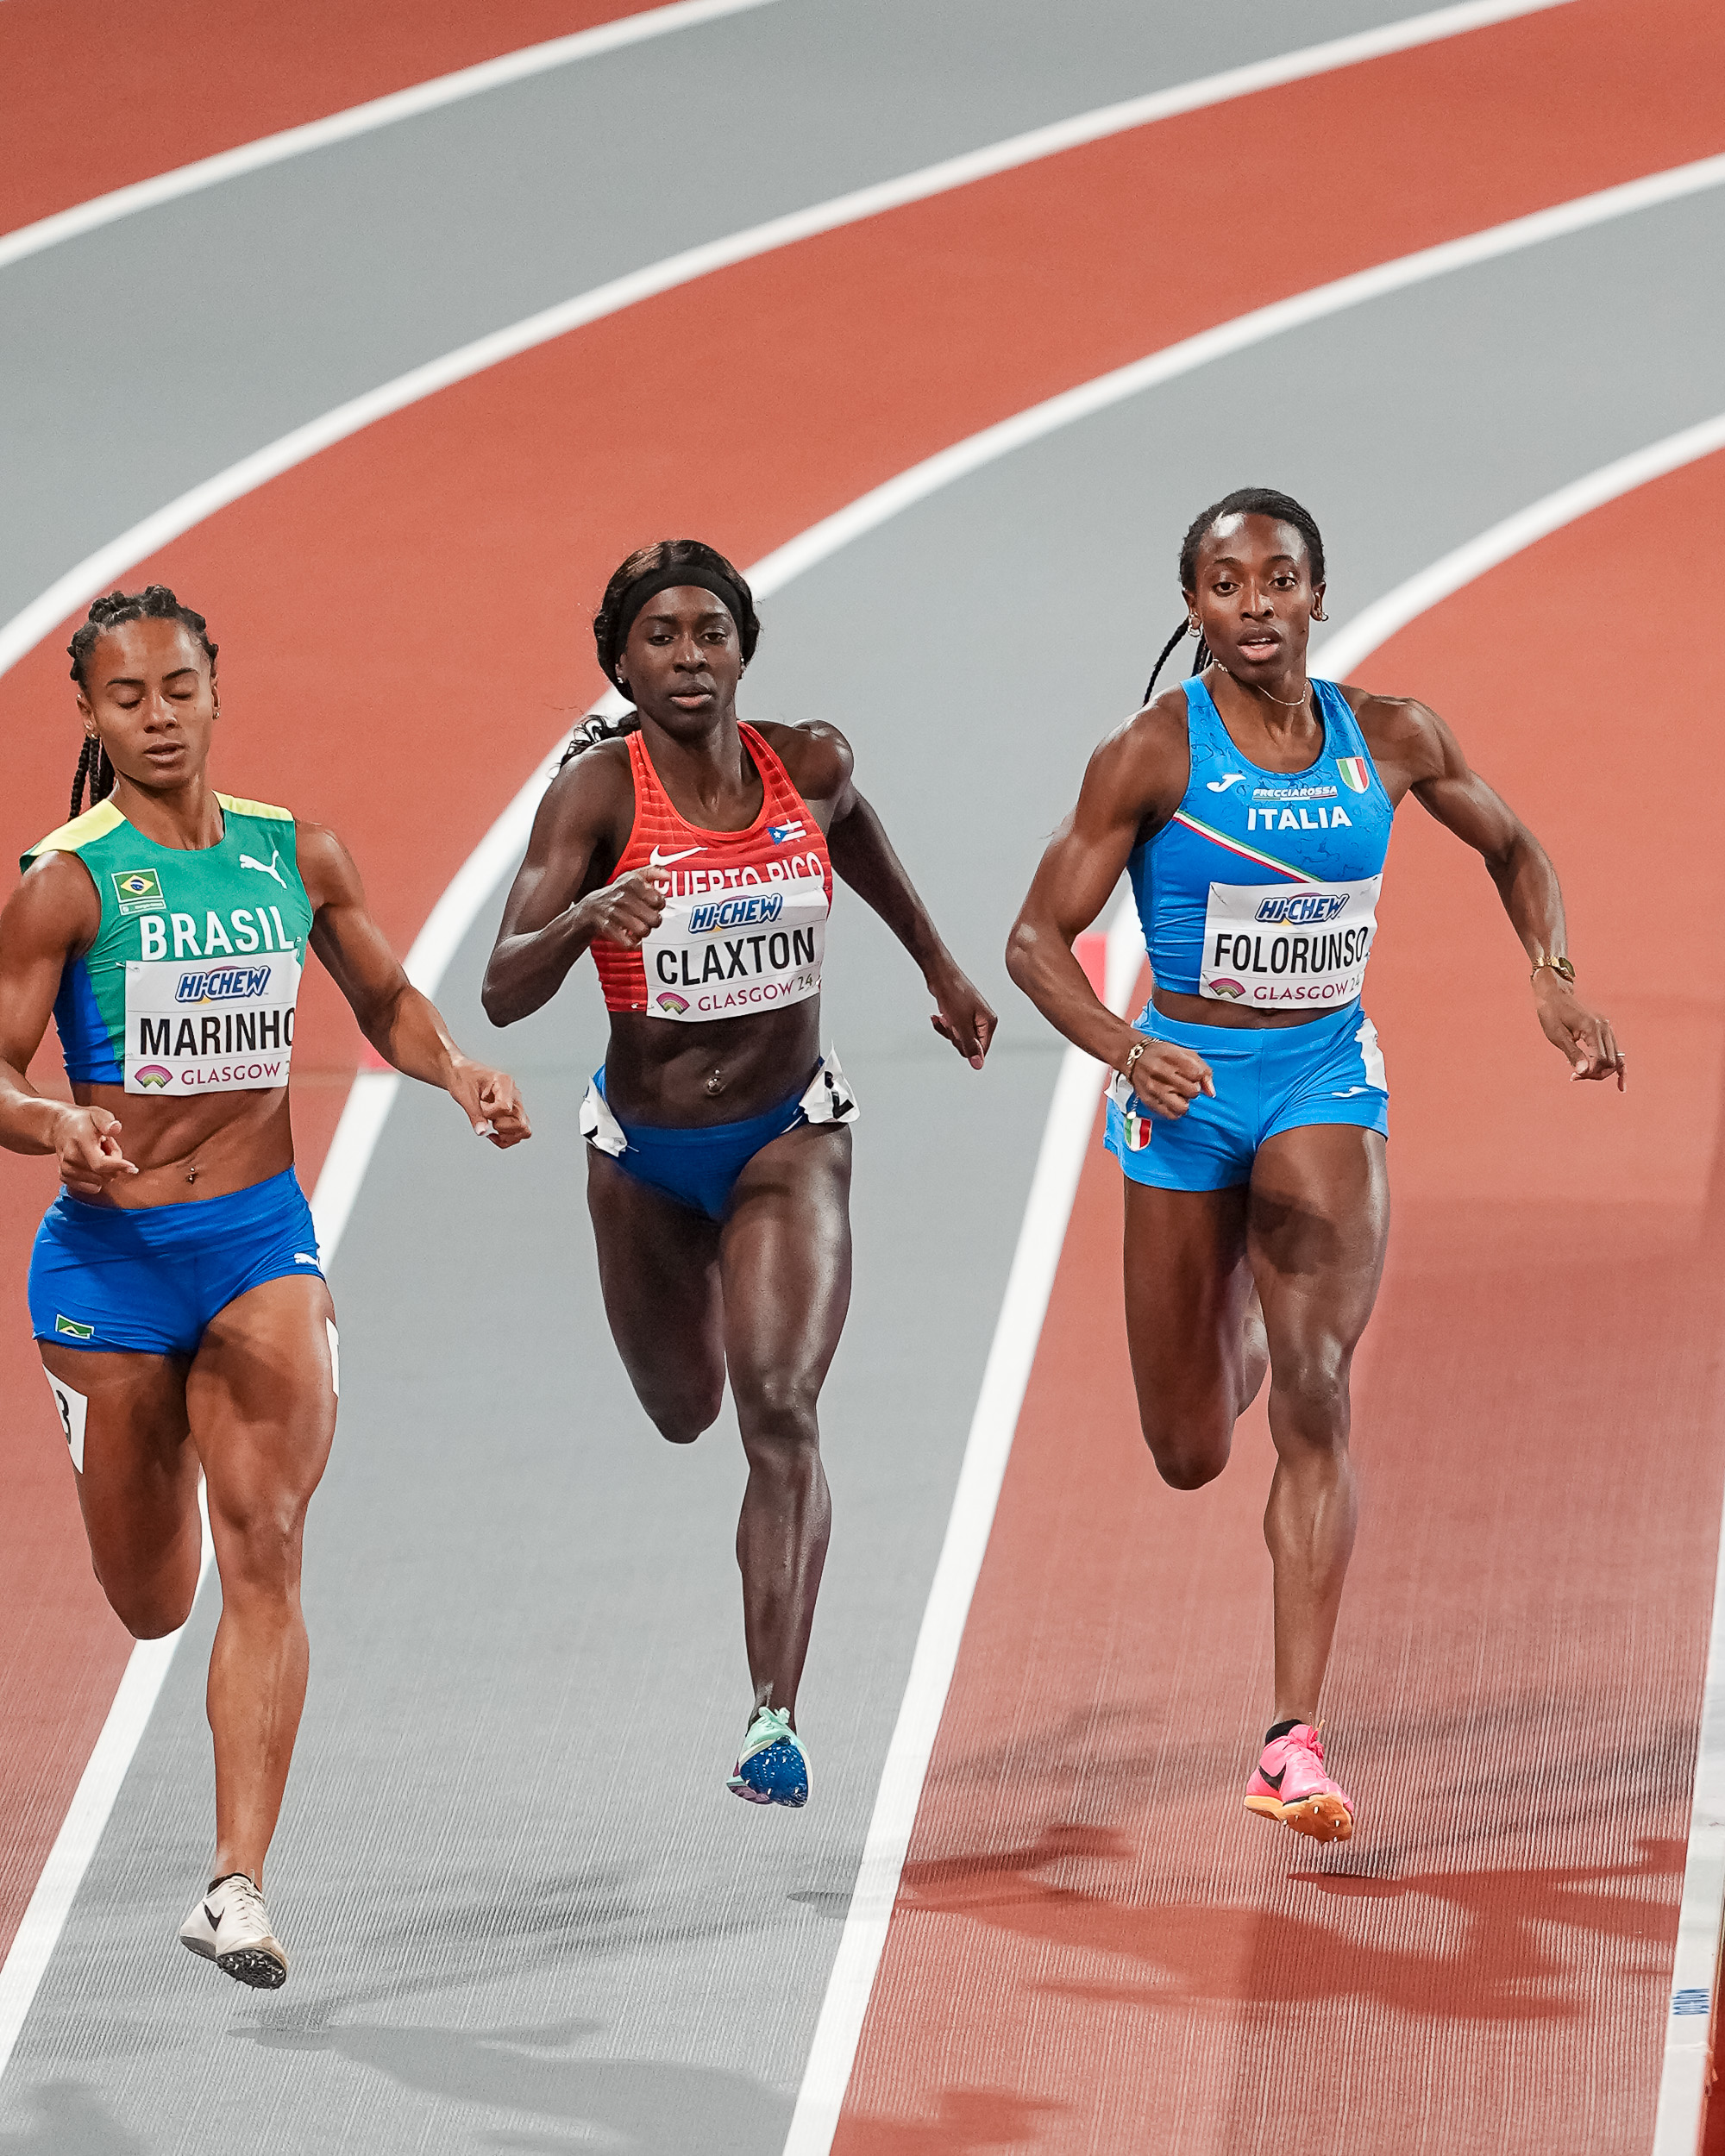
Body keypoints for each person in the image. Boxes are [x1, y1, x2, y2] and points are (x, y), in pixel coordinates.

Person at [1006, 488, 1622, 1841]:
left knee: (1320, 1387)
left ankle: (1292, 1741)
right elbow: (1035, 941)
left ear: (1318, 594)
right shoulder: (1149, 756)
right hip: (1184, 1092)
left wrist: (1554, 975)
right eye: (1226, 585)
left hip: (1322, 1080)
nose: (1256, 605)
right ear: (1194, 608)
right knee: (1186, 1449)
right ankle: (1243, 1326)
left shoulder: (1392, 736)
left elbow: (1514, 847)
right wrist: (1125, 1047)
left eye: (1279, 579)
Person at [0, 586, 530, 1984]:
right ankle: (137, 1447)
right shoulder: (65, 882)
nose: (159, 719)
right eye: (128, 699)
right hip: (110, 1270)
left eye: (179, 689)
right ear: (92, 714)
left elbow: (386, 1000)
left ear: (216, 691)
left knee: (269, 1544)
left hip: (256, 1249)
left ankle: (236, 1883)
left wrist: (455, 1070)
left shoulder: (293, 854)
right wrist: (54, 1123)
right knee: (152, 1600)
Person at [483, 538, 994, 1807]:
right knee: (685, 1410)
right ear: (621, 666)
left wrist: (939, 966)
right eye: (659, 638)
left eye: (711, 632)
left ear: (744, 650)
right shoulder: (594, 799)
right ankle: (712, 1291)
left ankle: (775, 1716)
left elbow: (854, 832)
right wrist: (583, 919)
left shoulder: (806, 762)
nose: (689, 657)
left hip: (787, 1136)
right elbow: (500, 991)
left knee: (781, 1408)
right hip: (646, 1160)